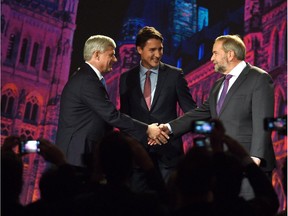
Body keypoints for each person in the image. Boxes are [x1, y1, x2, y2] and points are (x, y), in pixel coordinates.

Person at [160, 34, 276, 200]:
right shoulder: (217, 85)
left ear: (230, 54)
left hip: (247, 164)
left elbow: (263, 121)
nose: (211, 58)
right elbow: (200, 113)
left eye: (215, 53)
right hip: (223, 167)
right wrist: (169, 128)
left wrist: (254, 160)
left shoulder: (259, 78)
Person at [56, 35, 168, 168]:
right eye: (112, 55)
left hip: (83, 154)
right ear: (97, 55)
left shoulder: (87, 78)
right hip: (77, 155)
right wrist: (148, 129)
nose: (115, 59)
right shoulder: (87, 81)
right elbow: (111, 115)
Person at [119, 26, 196, 192]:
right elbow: (124, 119)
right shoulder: (126, 79)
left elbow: (192, 113)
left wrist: (167, 131)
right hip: (137, 159)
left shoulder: (175, 75)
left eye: (160, 49)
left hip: (169, 158)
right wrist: (145, 133)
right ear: (139, 49)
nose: (158, 54)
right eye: (152, 50)